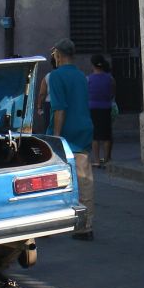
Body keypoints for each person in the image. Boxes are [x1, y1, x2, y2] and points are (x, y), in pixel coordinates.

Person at [47, 38, 94, 241]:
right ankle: (86, 227)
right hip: (83, 128)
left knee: (52, 179)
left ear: (58, 55)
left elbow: (60, 109)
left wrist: (56, 137)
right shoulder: (81, 75)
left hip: (66, 131)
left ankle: (47, 225)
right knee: (84, 180)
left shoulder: (56, 76)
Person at [88, 54, 116, 168]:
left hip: (92, 108)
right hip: (106, 107)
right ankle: (107, 159)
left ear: (92, 65)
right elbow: (113, 93)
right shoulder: (110, 78)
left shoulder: (88, 79)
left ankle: (97, 160)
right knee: (106, 134)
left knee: (95, 135)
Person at [36, 52, 57, 133]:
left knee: (48, 126)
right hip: (63, 103)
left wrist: (39, 107)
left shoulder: (48, 76)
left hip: (49, 104)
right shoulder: (65, 75)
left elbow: (42, 94)